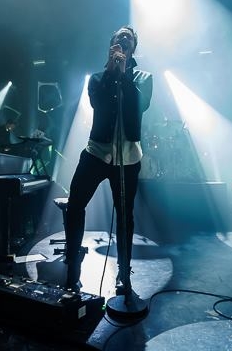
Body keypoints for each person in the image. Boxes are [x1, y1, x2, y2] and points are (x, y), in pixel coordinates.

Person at [64, 26, 153, 295]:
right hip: (96, 152)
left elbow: (139, 106)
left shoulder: (144, 78)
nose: (123, 40)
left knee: (125, 217)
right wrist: (111, 73)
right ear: (111, 45)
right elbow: (98, 104)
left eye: (128, 38)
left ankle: (124, 275)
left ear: (133, 48)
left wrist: (124, 75)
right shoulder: (97, 79)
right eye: (119, 37)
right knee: (75, 205)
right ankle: (72, 269)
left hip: (128, 158)